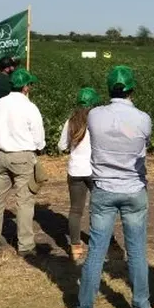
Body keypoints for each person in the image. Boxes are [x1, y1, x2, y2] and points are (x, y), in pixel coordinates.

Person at [77, 66, 153, 308]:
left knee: (96, 249)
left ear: (109, 88)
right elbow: (142, 141)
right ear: (132, 89)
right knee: (137, 251)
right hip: (134, 188)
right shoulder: (143, 119)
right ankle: (141, 306)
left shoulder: (94, 115)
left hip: (104, 188)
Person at [0, 68, 46, 256]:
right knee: (24, 201)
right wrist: (39, 147)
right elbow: (38, 135)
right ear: (25, 87)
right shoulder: (29, 107)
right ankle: (25, 245)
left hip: (0, 155)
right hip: (22, 156)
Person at [57, 87, 102, 264]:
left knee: (75, 210)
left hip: (75, 170)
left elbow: (62, 146)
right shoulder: (97, 122)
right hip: (94, 170)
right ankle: (101, 243)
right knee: (99, 209)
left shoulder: (71, 122)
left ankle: (75, 247)